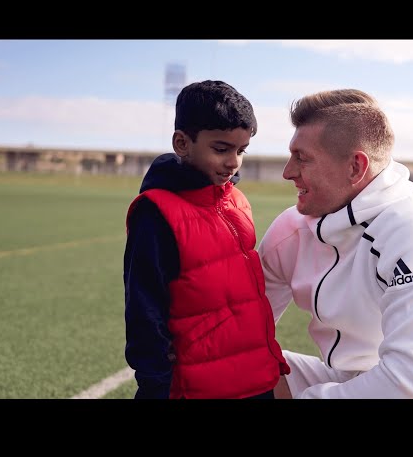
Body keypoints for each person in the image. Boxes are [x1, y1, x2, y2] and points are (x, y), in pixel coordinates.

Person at [258, 89, 413, 399]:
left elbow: (410, 383)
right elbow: (245, 331)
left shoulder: (411, 232)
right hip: (344, 378)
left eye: (302, 158)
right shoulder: (290, 229)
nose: (288, 172)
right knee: (239, 369)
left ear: (355, 167)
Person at [124, 80, 290, 399]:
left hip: (256, 379)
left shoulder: (237, 201)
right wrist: (156, 384)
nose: (233, 162)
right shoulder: (156, 213)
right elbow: (144, 310)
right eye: (221, 149)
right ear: (182, 143)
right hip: (197, 388)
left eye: (241, 151)